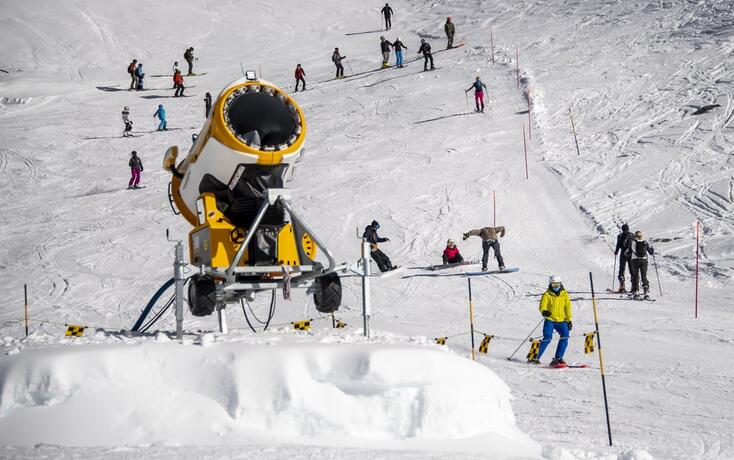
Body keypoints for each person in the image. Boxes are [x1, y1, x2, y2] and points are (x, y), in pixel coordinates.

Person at [531, 275, 573, 366]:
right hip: (550, 320)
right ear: (550, 284)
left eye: (557, 284)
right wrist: (544, 311)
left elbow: (567, 307)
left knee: (565, 336)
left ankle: (558, 358)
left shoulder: (564, 294)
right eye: (554, 284)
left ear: (561, 284)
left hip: (561, 321)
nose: (556, 286)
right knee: (547, 337)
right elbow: (542, 306)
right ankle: (535, 357)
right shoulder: (547, 294)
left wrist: (569, 320)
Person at [625, 230, 654, 299]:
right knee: (644, 276)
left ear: (635, 236)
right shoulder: (645, 242)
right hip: (644, 260)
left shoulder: (633, 243)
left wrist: (626, 253)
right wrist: (652, 249)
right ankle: (646, 291)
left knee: (635, 276)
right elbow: (650, 252)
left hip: (635, 260)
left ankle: (636, 291)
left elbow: (628, 253)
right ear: (641, 236)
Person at [614, 224, 633, 292]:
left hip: (623, 254)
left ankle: (622, 285)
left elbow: (618, 245)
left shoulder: (620, 236)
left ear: (622, 229)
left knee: (621, 269)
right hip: (631, 254)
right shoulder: (632, 235)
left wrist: (616, 252)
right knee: (632, 270)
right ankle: (634, 287)